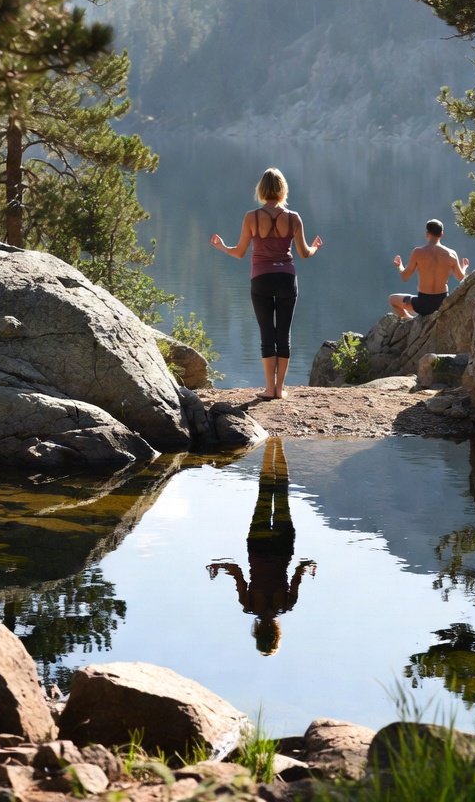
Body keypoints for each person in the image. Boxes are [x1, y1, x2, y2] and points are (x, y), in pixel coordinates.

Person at [210, 167, 322, 399]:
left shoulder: (252, 217)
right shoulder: (294, 218)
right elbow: (304, 253)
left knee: (266, 334)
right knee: (284, 333)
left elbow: (240, 252)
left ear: (261, 190)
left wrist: (222, 246)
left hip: (260, 279)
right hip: (286, 279)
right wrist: (315, 248)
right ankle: (280, 390)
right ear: (282, 190)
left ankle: (268, 389)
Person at [207, 436, 316, 656]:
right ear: (257, 634)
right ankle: (271, 445)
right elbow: (237, 572)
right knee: (265, 492)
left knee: (282, 494)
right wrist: (219, 566)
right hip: (257, 546)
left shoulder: (287, 604)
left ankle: (278, 444)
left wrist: (309, 566)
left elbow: (298, 572)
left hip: (283, 546)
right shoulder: (248, 605)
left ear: (277, 633)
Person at [389, 218, 469, 318]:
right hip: (442, 303)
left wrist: (400, 266)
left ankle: (410, 321)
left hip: (423, 304)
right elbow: (460, 277)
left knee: (392, 300)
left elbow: (405, 277)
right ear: (441, 234)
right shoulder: (451, 254)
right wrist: (464, 267)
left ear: (427, 233)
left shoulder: (418, 253)